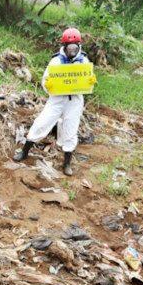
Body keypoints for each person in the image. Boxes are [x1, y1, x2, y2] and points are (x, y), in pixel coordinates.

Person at [14, 27, 90, 176]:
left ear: (79, 46)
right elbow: (45, 80)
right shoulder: (56, 61)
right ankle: (24, 152)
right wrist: (47, 85)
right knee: (41, 123)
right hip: (57, 99)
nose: (72, 50)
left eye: (75, 47)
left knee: (70, 129)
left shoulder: (83, 61)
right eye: (70, 47)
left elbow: (87, 81)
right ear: (64, 46)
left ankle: (67, 163)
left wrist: (89, 82)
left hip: (74, 101)